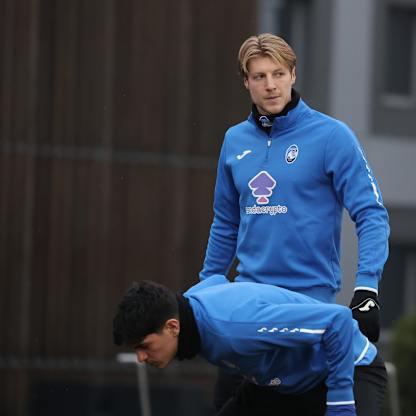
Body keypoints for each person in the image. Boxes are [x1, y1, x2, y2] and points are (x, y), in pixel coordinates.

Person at [198, 33, 390, 409]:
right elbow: (224, 223)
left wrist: (367, 288)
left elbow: (371, 213)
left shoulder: (332, 136)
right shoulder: (234, 141)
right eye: (259, 77)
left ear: (293, 74)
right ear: (246, 82)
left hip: (307, 314)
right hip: (246, 311)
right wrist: (207, 290)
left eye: (278, 73)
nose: (270, 85)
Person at [113, 276, 387, 416]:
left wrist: (341, 406)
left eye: (144, 345)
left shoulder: (234, 328)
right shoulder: (188, 308)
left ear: (172, 327)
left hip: (348, 370)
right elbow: (217, 281)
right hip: (284, 384)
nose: (140, 357)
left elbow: (338, 322)